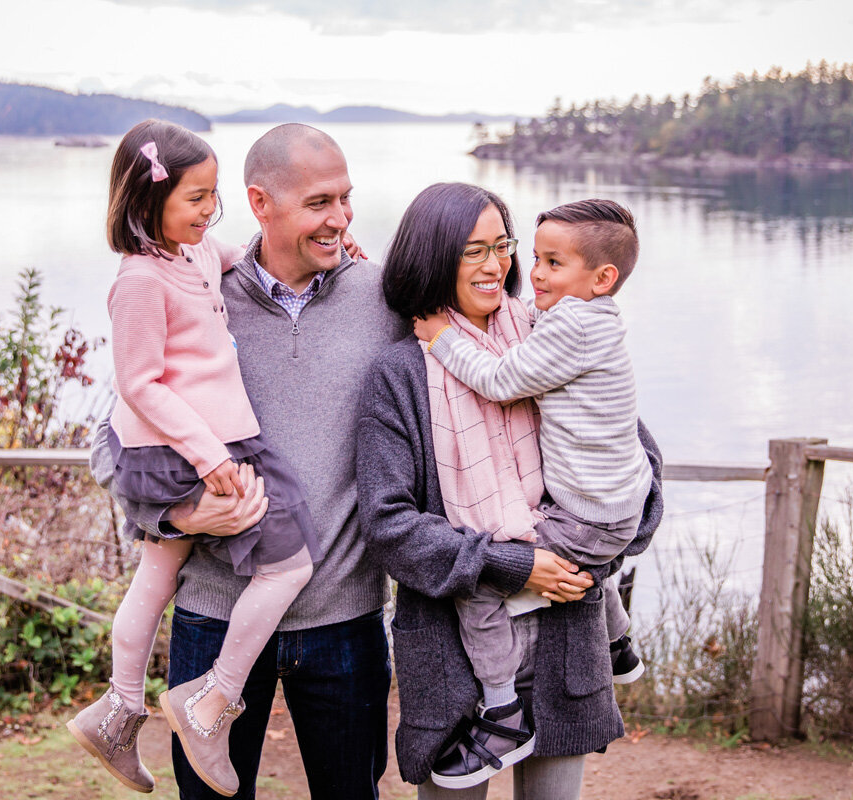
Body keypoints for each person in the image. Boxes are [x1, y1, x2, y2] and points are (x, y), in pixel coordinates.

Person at [102, 123, 407, 800]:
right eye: (320, 203)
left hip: (345, 618)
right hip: (214, 615)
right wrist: (179, 515)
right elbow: (114, 435)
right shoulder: (197, 289)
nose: (341, 218)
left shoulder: (381, 299)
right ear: (261, 203)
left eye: (346, 200)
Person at [357, 183, 663, 798]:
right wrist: (515, 565)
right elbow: (390, 527)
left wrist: (599, 550)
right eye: (474, 251)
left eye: (502, 246)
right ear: (435, 256)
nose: (496, 265)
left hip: (566, 641)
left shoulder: (547, 332)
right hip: (456, 657)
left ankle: (617, 640)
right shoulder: (400, 373)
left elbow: (636, 458)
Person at [67, 119, 321, 797]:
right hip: (182, 451)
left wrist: (325, 239)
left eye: (215, 196)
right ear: (147, 203)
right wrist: (210, 459)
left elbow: (240, 251)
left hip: (208, 445)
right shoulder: (140, 281)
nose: (211, 211)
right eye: (196, 199)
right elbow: (138, 383)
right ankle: (210, 704)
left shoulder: (195, 253)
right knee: (289, 562)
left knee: (157, 576)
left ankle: (119, 712)